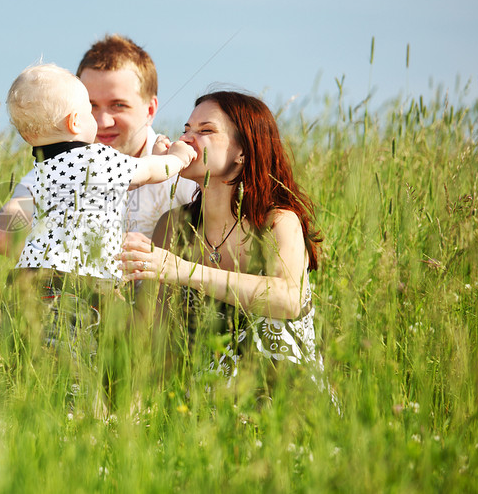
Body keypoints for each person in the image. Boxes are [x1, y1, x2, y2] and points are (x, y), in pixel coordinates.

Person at [117, 90, 325, 389]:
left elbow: (288, 299)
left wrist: (182, 270)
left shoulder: (278, 221)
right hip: (203, 413)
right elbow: (152, 336)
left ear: (243, 152)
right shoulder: (174, 226)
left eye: (206, 131)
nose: (186, 139)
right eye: (185, 130)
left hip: (286, 406)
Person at [0, 34, 198, 257]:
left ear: (150, 110)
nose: (102, 122)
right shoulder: (61, 165)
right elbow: (5, 233)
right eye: (91, 106)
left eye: (118, 105)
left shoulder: (188, 176)